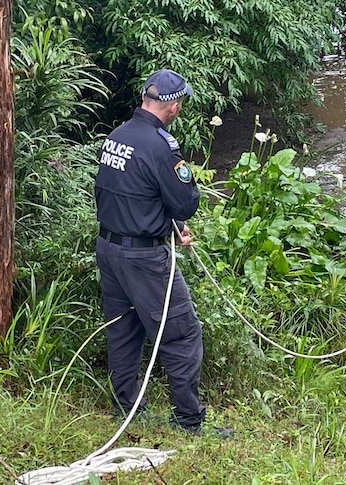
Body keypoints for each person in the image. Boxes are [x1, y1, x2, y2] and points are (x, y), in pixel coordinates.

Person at [94, 68, 209, 435]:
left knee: (123, 330)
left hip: (109, 249)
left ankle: (127, 408)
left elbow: (129, 195)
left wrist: (168, 228)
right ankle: (188, 419)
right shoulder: (162, 145)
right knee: (181, 332)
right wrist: (173, 221)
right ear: (172, 105)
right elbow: (185, 201)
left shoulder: (117, 136)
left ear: (145, 98)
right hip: (143, 259)